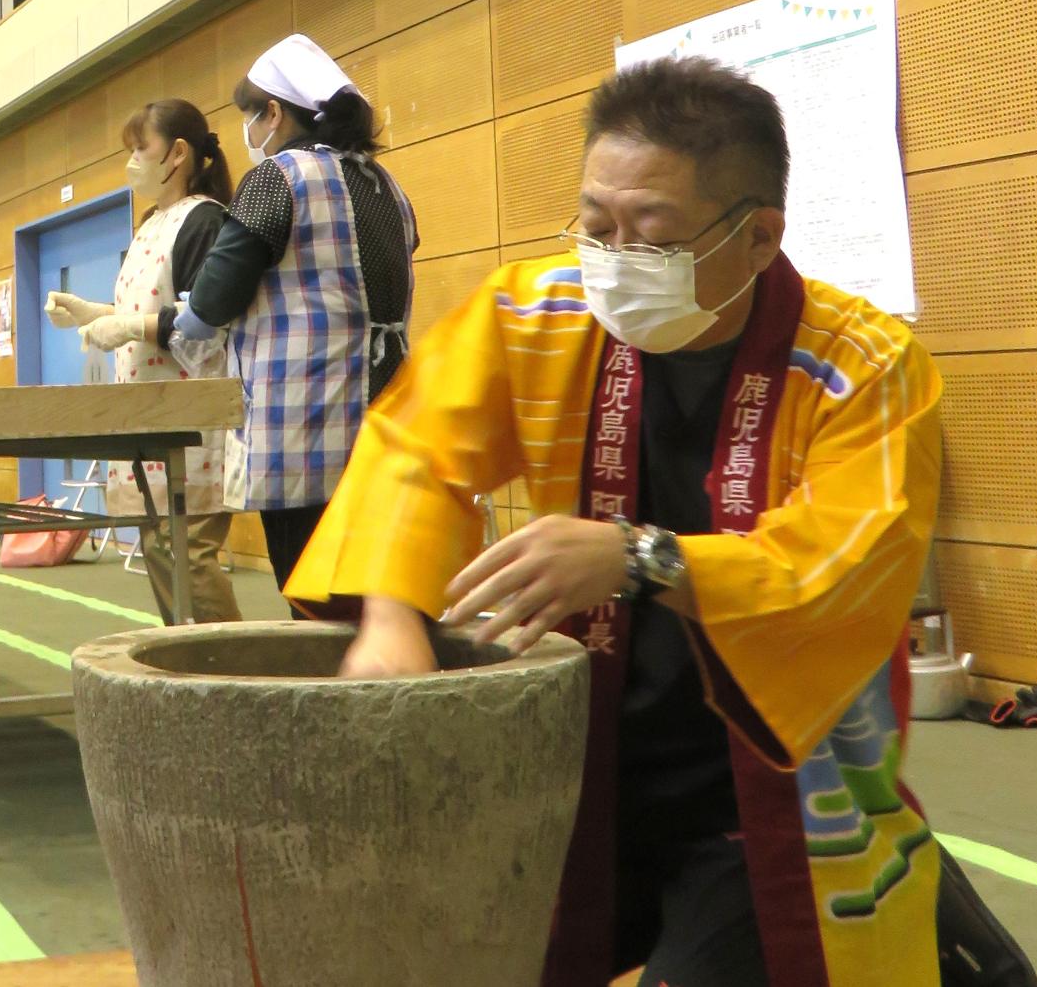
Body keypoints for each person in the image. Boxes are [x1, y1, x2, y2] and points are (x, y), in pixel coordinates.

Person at [293, 56, 960, 986]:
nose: (609, 258)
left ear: (760, 236)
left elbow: (842, 565)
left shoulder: (865, 364)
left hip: (776, 770)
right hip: (584, 749)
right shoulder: (537, 310)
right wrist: (393, 617)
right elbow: (415, 446)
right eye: (594, 224)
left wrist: (640, 557)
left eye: (650, 234)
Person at [169, 34, 418, 590]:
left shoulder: (276, 179)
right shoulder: (387, 186)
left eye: (249, 116)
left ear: (275, 113)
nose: (249, 132)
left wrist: (171, 322)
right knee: (370, 588)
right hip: (387, 415)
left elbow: (212, 302)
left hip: (302, 423)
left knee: (309, 594)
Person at [47, 98, 240, 623]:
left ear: (177, 154)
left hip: (191, 421)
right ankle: (185, 663)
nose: (132, 161)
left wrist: (127, 326)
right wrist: (94, 312)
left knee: (189, 553)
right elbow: (146, 311)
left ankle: (233, 671)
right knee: (157, 546)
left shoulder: (205, 221)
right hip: (148, 415)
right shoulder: (152, 222)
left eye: (140, 148)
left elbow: (202, 327)